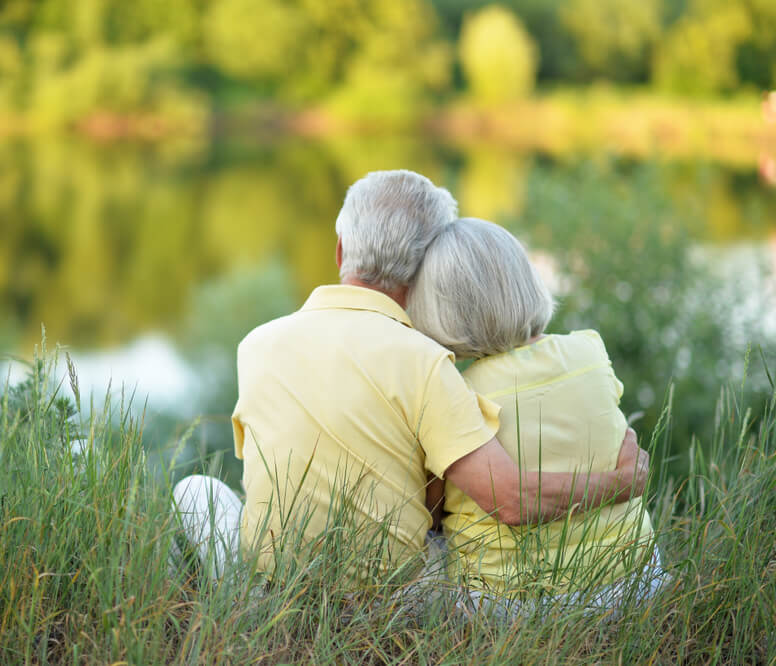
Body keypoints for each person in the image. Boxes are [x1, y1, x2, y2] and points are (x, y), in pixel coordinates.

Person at [173, 170, 649, 587]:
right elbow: (504, 500)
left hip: (275, 585)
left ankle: (222, 604)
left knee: (196, 492)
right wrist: (620, 481)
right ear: (430, 269)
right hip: (393, 598)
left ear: (340, 248)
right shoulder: (427, 360)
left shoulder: (255, 344)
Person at [407, 217, 665, 612]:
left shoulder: (459, 393)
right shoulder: (590, 351)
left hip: (515, 604)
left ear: (442, 308)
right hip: (637, 580)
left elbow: (430, 514)